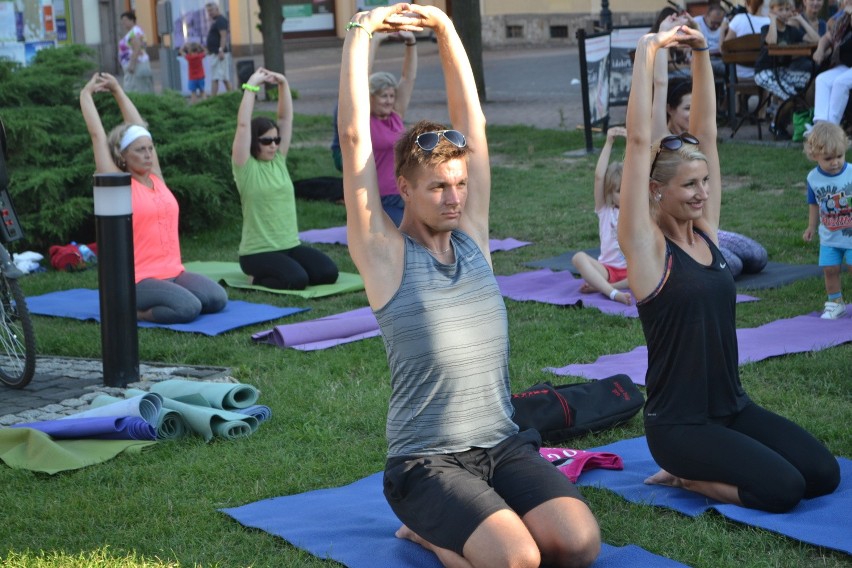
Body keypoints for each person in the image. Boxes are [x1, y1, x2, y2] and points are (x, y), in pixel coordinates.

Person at [339, 4, 601, 567]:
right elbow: (353, 135)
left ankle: (469, 525)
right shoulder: (383, 254)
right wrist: (361, 30)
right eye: (437, 187)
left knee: (578, 545)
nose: (454, 197)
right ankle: (427, 529)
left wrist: (443, 25)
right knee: (518, 561)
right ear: (403, 188)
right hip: (425, 461)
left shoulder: (473, 240)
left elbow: (472, 123)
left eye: (458, 183)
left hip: (502, 442)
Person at [619, 24, 840, 513]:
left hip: (731, 409)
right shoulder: (647, 249)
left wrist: (702, 52)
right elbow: (638, 143)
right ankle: (685, 477)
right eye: (689, 186)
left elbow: (709, 135)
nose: (702, 193)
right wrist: (647, 53)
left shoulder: (706, 234)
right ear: (658, 191)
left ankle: (700, 468)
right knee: (782, 490)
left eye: (704, 182)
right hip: (680, 426)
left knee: (822, 475)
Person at [79, 72, 228, 324]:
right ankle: (128, 310)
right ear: (123, 156)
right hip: (138, 278)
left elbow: (140, 128)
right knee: (188, 308)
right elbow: (97, 136)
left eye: (150, 149)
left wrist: (117, 90)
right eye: (140, 150)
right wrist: (85, 94)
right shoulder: (119, 184)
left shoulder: (156, 178)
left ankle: (168, 296)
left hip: (173, 272)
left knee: (216, 299)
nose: (148, 154)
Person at [232, 68, 338, 290]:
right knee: (297, 280)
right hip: (257, 252)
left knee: (328, 273)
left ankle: (284, 267)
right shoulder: (245, 166)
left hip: (289, 246)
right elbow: (243, 126)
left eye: (276, 140)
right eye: (266, 141)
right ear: (254, 142)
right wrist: (251, 85)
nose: (273, 145)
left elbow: (285, 118)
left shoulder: (278, 160)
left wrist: (283, 84)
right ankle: (255, 277)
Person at [571, 127, 631, 306]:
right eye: (620, 190)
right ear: (610, 193)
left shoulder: (636, 210)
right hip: (607, 269)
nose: (626, 193)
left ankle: (603, 287)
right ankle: (613, 293)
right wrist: (608, 142)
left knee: (659, 267)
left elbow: (637, 171)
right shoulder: (605, 210)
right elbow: (599, 177)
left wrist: (631, 144)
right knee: (578, 258)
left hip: (633, 271)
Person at [367, 31, 419, 226]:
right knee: (401, 240)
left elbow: (408, 78)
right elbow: (359, 79)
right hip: (378, 198)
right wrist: (375, 41)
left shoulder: (395, 116)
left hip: (405, 194)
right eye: (383, 96)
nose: (389, 101)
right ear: (370, 97)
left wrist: (411, 42)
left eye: (391, 95)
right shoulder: (364, 121)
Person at [802, 121, 852, 318]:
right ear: (814, 155)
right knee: (830, 269)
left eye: (839, 156)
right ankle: (835, 302)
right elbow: (813, 204)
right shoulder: (813, 178)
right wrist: (811, 227)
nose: (835, 162)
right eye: (828, 158)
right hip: (829, 236)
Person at [753, 0, 821, 139]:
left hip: (782, 72)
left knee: (802, 86)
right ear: (772, 10)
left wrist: (801, 20)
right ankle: (776, 125)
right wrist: (772, 20)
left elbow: (817, 40)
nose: (785, 13)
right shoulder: (766, 28)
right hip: (764, 72)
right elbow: (771, 42)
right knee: (790, 96)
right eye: (781, 9)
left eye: (787, 9)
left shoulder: (792, 31)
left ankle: (779, 117)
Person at [811, 1, 852, 126]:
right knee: (822, 79)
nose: (846, 2)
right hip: (847, 66)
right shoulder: (844, 19)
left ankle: (831, 129)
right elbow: (827, 37)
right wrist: (820, 50)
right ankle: (820, 125)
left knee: (841, 82)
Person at [726, 0, 772, 80]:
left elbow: (724, 48)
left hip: (741, 75)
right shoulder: (771, 22)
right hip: (766, 75)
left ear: (747, 4)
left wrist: (723, 27)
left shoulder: (738, 19)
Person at [118, 10, 154, 94]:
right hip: (137, 65)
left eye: (125, 20)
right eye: (122, 21)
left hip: (136, 66)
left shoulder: (134, 32)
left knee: (135, 90)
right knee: (137, 89)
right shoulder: (134, 31)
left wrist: (132, 65)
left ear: (132, 20)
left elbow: (137, 48)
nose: (123, 23)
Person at [205, 2, 232, 95]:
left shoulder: (221, 20)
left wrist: (221, 50)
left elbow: (223, 36)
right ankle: (232, 97)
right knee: (221, 77)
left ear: (217, 9)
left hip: (220, 54)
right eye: (208, 11)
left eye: (211, 10)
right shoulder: (217, 21)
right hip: (216, 53)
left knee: (220, 78)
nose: (210, 13)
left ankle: (215, 99)